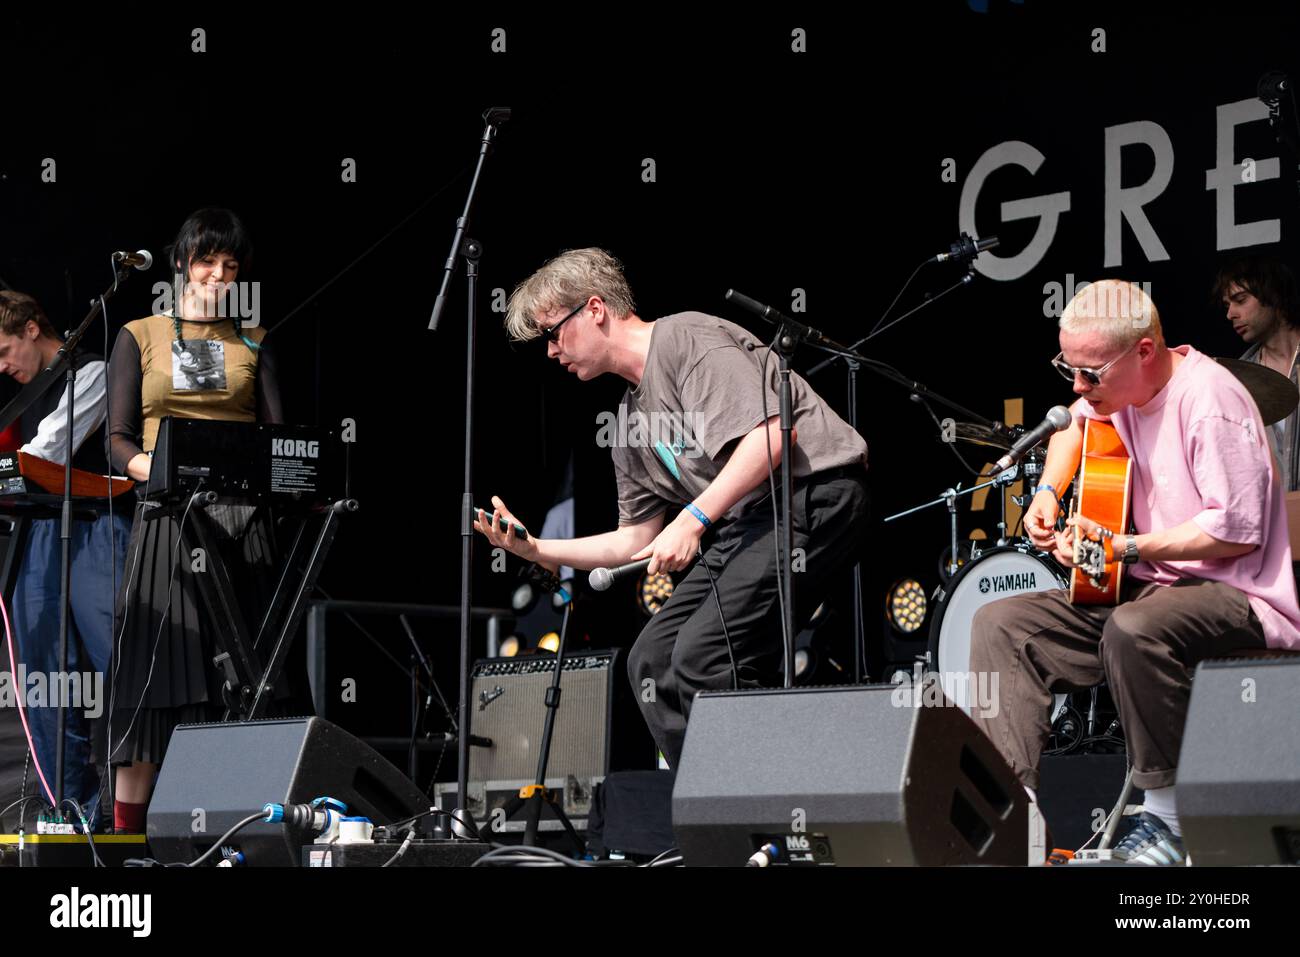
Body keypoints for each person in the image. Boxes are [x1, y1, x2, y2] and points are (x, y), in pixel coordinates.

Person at [475, 248, 870, 769]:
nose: (550, 351)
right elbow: (633, 538)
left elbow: (773, 435)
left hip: (813, 494)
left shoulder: (686, 339)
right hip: (749, 522)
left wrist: (695, 518)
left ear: (594, 309)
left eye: (553, 332)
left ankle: (761, 815)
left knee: (703, 656)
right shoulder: (628, 418)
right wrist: (537, 547)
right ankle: (709, 815)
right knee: (651, 664)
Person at [971, 279, 1300, 865]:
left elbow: (1234, 531)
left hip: (1238, 596)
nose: (1078, 385)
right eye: (1067, 367)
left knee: (1134, 628)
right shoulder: (1114, 397)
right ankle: (1014, 822)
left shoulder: (1210, 399)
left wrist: (1125, 546)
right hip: (1148, 590)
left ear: (1144, 352)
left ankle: (1172, 825)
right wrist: (1049, 492)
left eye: (1090, 372)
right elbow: (1072, 425)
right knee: (1002, 625)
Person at [103, 208, 282, 833]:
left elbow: (276, 442)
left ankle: (245, 834)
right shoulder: (139, 333)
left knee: (244, 682)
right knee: (152, 683)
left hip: (240, 527)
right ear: (182, 261)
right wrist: (152, 468)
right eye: (208, 261)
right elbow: (117, 440)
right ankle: (127, 840)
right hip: (166, 524)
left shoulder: (254, 340)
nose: (219, 274)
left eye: (231, 266)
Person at [0, 290, 132, 825]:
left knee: (119, 664)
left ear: (33, 328)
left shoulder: (92, 369)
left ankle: (135, 811)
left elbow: (43, 455)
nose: (2, 364)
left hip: (94, 526)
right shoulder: (19, 397)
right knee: (43, 678)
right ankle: (72, 810)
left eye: (5, 348)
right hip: (36, 534)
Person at [1216, 255, 1300, 491]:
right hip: (1277, 520)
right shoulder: (1237, 379)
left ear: (1274, 296)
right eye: (1227, 305)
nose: (1230, 314)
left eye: (1240, 300)